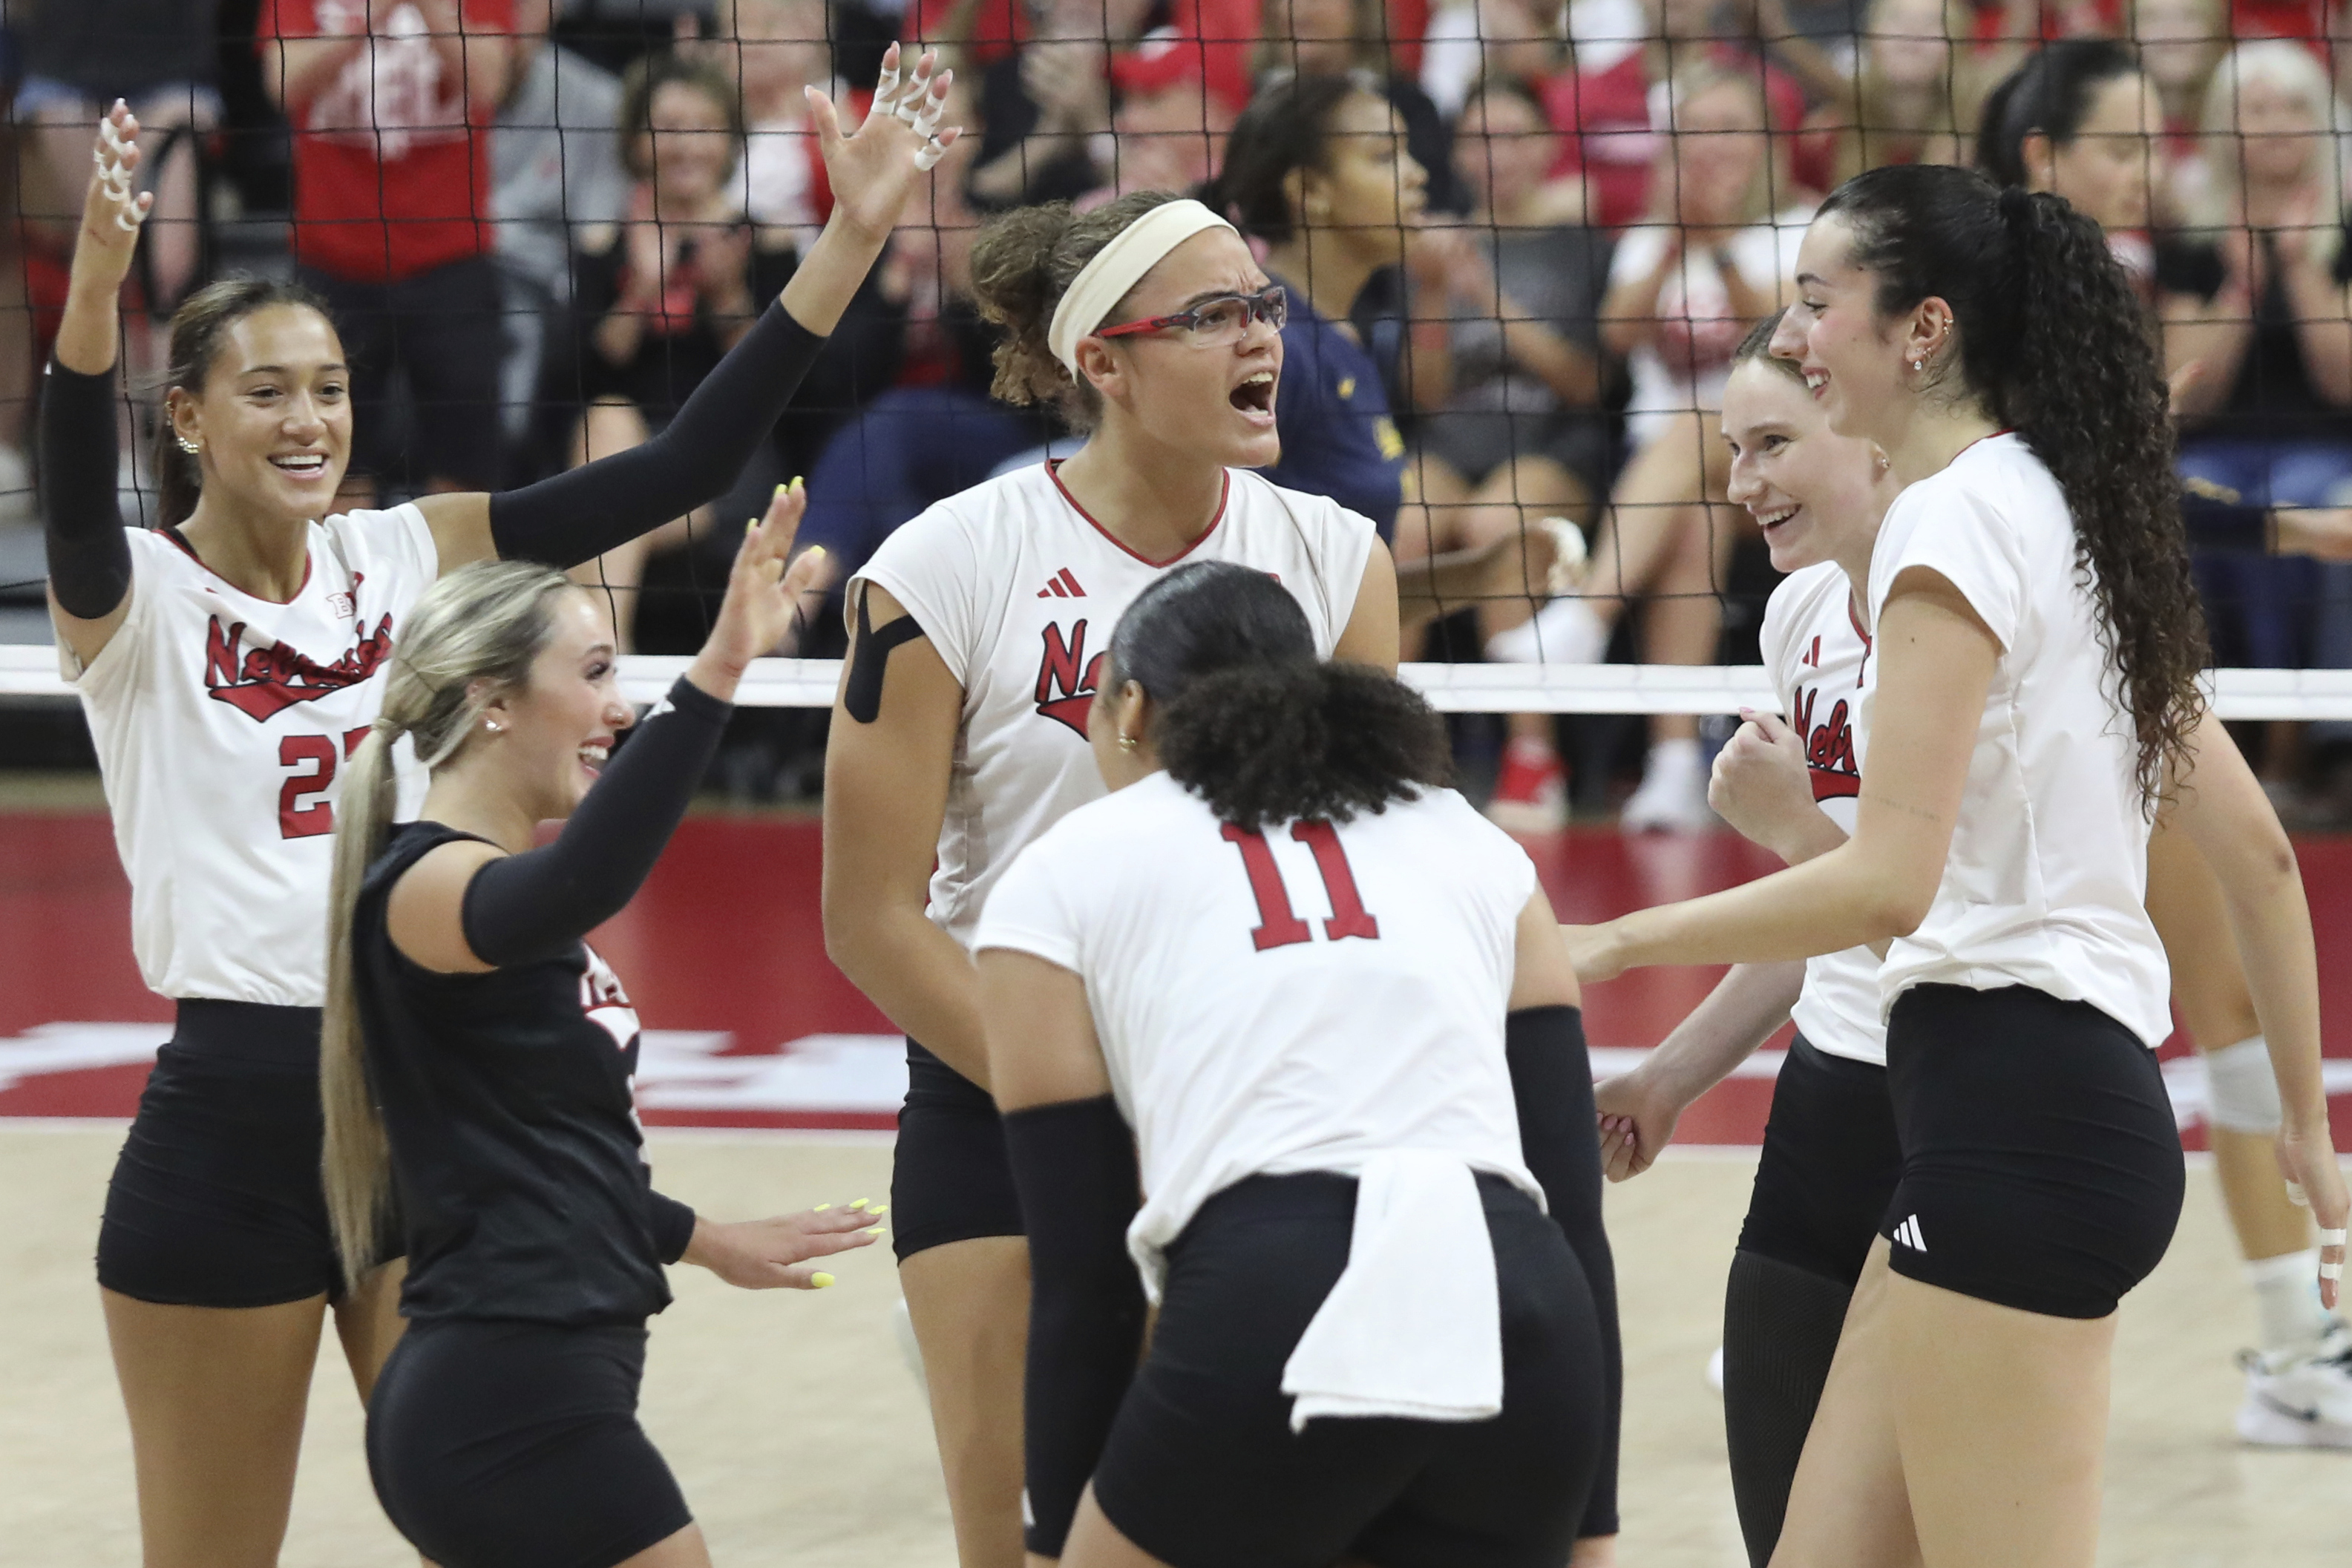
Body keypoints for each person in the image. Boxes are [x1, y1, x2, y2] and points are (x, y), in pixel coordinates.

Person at [42, 64, 954, 1567]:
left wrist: (845, 243)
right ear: (188, 416)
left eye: (329, 388)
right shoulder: (133, 608)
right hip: (234, 1122)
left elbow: (674, 468)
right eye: (265, 392)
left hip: (424, 1105)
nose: (308, 420)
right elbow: (79, 497)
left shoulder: (412, 551)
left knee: (518, 1521)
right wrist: (92, 301)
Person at [1564, 163, 2348, 1564]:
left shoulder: (1955, 515)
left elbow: (1882, 884)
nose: (1791, 332)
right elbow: (2251, 864)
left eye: (1814, 303)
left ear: (1915, 331)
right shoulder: (2027, 505)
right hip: (1985, 1100)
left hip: (2024, 1107)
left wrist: (1607, 943)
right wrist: (2300, 1121)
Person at [820, 190, 1400, 1568]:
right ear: (1103, 360)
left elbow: (1375, 861)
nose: (1263, 335)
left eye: (1262, 304)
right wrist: (1072, 1104)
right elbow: (868, 917)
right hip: (1001, 1111)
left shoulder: (1331, 558)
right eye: (1213, 315)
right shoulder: (946, 564)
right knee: (1025, 1544)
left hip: (1250, 1098)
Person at [973, 560, 1618, 1567]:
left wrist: (1055, 1545)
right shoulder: (1472, 840)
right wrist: (1594, 1523)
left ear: (1130, 706)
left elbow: (1084, 1278)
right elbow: (1573, 1210)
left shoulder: (1063, 870)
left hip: (1275, 1289)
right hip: (1524, 1313)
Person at [324, 513, 878, 1568]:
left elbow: (545, 1148)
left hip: (529, 1381)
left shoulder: (487, 895)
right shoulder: (431, 886)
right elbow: (593, 874)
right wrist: (719, 667)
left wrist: (707, 1238)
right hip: (502, 1397)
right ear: (492, 702)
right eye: (592, 672)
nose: (618, 706)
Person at [1978, 39, 2352, 1443]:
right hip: (1999, 685)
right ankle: (1824, 1298)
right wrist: (2272, 524)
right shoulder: (1985, 302)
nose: (2148, 172)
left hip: (2113, 666)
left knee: (2226, 994)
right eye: (2120, 147)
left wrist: (2270, 521)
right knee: (1909, 986)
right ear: (2040, 159)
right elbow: (2077, 480)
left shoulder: (2112, 288)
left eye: (2150, 145)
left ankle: (2292, 1347)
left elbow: (2118, 476)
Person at [1592, 315, 1901, 1565]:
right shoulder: (1798, 617)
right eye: (1730, 447)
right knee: (1777, 1521)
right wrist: (1669, 1076)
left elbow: (1931, 930)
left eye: (1771, 441)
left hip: (1972, 1096)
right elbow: (1820, 927)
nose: (1739, 481)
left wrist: (1783, 827)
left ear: (1873, 438)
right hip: (1830, 1092)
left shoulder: (1983, 617)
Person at [1499, 63, 1811, 833]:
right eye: (1696, 130)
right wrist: (1677, 238)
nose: (1712, 148)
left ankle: (1582, 615)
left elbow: (1776, 353)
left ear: (1764, 141)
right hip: (1663, 482)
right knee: (1692, 519)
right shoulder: (1650, 236)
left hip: (1777, 462)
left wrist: (1722, 249)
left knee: (1697, 427)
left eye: (1729, 128)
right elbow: (1614, 337)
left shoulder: (1801, 225)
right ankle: (1675, 766)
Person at [557, 51, 795, 646]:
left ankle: (602, 661)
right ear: (637, 143)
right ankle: (612, 654)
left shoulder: (765, 247)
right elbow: (561, 390)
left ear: (729, 140)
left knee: (600, 516)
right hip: (625, 449)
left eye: (705, 128)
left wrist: (731, 296)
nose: (686, 146)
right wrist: (636, 294)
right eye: (668, 128)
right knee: (609, 420)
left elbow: (786, 389)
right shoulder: (601, 247)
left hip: (728, 459)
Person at [259, 0, 520, 499]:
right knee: (329, 463)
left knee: (463, 471)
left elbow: (491, 83)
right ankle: (346, 579)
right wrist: (371, 15)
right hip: (333, 256)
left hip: (451, 257)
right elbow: (282, 83)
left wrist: (432, 11)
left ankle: (451, 580)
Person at [2164, 42, 2352, 685]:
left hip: (2326, 447)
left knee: (2295, 501)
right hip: (2218, 445)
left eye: (2292, 106)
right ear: (2224, 124)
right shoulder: (2192, 234)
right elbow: (2188, 395)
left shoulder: (2347, 227)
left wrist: (2299, 268)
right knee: (2186, 498)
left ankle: (2301, 742)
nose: (2274, 123)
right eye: (2257, 108)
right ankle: (2209, 710)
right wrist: (2239, 290)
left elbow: (2342, 381)